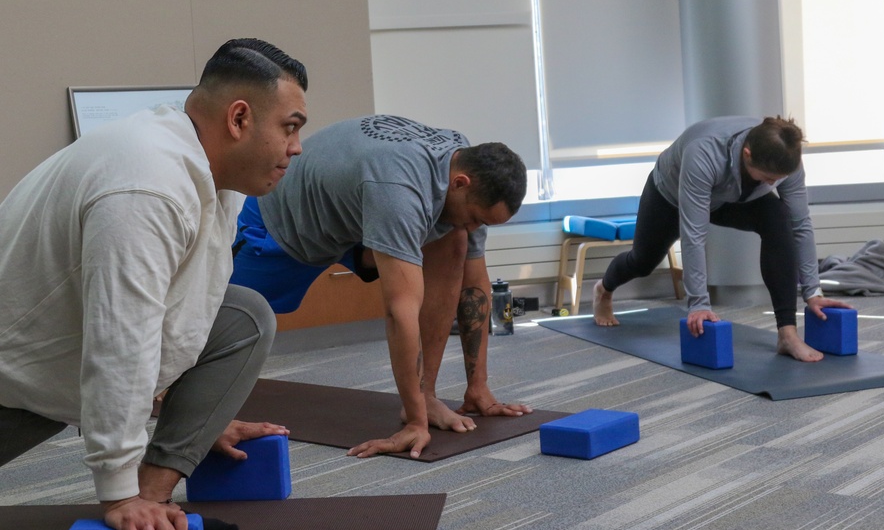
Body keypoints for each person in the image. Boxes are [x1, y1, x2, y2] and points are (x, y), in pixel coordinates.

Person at [0, 38, 308, 530]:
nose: (297, 146)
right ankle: (135, 502)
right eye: (291, 126)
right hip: (14, 380)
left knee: (245, 317)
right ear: (239, 118)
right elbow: (122, 337)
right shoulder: (148, 185)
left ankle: (153, 496)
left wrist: (198, 415)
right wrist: (116, 493)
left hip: (63, 358)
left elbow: (181, 309)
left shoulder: (214, 177)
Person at [229, 114, 532, 459]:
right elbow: (400, 310)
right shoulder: (399, 187)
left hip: (354, 218)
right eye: (478, 217)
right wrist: (416, 425)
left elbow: (475, 283)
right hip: (286, 218)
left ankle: (427, 395)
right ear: (461, 182)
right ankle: (172, 379)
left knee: (455, 241)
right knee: (226, 311)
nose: (476, 226)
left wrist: (478, 387)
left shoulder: (463, 168)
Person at [593, 115, 851, 362]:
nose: (774, 184)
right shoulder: (704, 152)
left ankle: (787, 334)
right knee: (643, 261)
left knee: (779, 218)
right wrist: (699, 304)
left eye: (778, 179)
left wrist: (813, 291)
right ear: (747, 154)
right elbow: (694, 234)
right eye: (769, 179)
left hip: (730, 196)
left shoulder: (785, 156)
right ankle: (604, 289)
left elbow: (801, 224)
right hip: (670, 195)